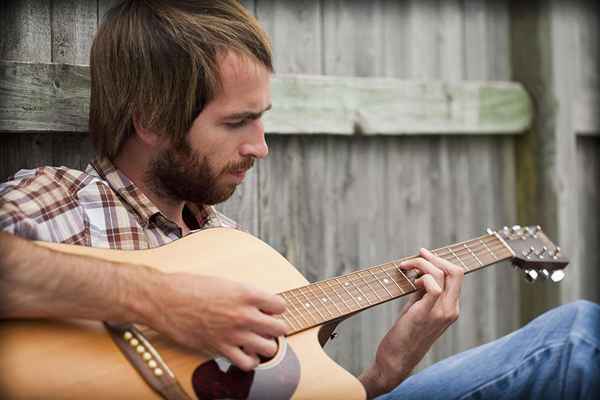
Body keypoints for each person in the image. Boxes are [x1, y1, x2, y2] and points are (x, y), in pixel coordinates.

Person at [0, 1, 598, 399]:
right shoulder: (64, 204)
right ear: (152, 120)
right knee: (577, 338)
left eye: (262, 121)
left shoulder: (231, 250)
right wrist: (165, 302)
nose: (260, 147)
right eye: (238, 123)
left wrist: (385, 371)